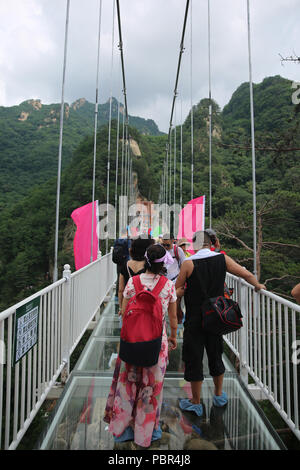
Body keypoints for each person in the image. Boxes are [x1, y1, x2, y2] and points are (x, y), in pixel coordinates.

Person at [175, 230, 266, 416]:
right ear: (211, 243)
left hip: (194, 319)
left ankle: (196, 401)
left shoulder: (187, 264)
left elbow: (177, 289)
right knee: (215, 354)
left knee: (194, 358)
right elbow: (244, 273)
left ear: (194, 245)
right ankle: (218, 395)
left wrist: (177, 311)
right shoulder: (222, 260)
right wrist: (257, 285)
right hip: (216, 317)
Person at [104, 244, 178, 448]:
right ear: (164, 263)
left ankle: (121, 429)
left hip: (132, 342)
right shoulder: (168, 285)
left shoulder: (133, 283)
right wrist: (173, 336)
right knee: (151, 389)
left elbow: (126, 312)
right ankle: (146, 433)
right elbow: (173, 318)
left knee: (127, 386)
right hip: (156, 344)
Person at [118, 236, 154, 314]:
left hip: (128, 305)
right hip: (145, 305)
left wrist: (121, 308)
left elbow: (121, 289)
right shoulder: (149, 266)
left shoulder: (126, 265)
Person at [112, 228, 131, 298]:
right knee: (126, 277)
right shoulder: (127, 240)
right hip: (126, 261)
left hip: (118, 261)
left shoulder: (117, 240)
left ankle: (117, 294)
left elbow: (114, 249)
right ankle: (125, 293)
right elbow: (129, 249)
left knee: (118, 276)